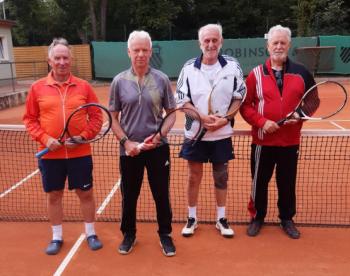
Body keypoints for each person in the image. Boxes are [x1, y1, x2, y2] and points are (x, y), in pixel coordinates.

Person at [23, 38, 103, 255]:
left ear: (71, 60)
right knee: (54, 195)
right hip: (50, 156)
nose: (61, 62)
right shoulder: (37, 88)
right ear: (49, 60)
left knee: (85, 194)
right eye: (57, 58)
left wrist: (84, 136)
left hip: (80, 153)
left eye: (65, 57)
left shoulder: (84, 87)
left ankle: (91, 232)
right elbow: (29, 119)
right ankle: (57, 237)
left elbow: (96, 117)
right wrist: (45, 139)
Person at [240, 25, 316, 239]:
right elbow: (245, 106)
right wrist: (262, 122)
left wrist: (300, 114)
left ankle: (286, 218)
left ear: (289, 45)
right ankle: (257, 217)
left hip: (290, 142)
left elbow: (313, 99)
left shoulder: (302, 72)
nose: (279, 46)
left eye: (283, 42)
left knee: (287, 182)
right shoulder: (255, 75)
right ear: (268, 46)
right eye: (275, 43)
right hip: (263, 141)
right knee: (259, 182)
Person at [108, 30, 176, 257]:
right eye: (136, 50)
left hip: (158, 149)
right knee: (129, 194)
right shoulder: (118, 81)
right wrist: (126, 143)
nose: (140, 54)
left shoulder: (162, 79)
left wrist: (158, 137)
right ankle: (129, 234)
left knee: (161, 194)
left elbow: (172, 114)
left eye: (144, 50)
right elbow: (113, 119)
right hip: (129, 151)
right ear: (129, 52)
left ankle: (165, 235)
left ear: (150, 52)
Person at [176, 23, 245, 238]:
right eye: (206, 40)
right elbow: (182, 100)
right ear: (200, 43)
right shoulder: (188, 68)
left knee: (221, 176)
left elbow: (238, 97)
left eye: (215, 40)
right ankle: (192, 217)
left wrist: (224, 120)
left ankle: (221, 218)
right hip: (195, 134)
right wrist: (202, 118)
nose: (211, 44)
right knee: (194, 176)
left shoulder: (233, 66)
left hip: (222, 134)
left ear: (221, 42)